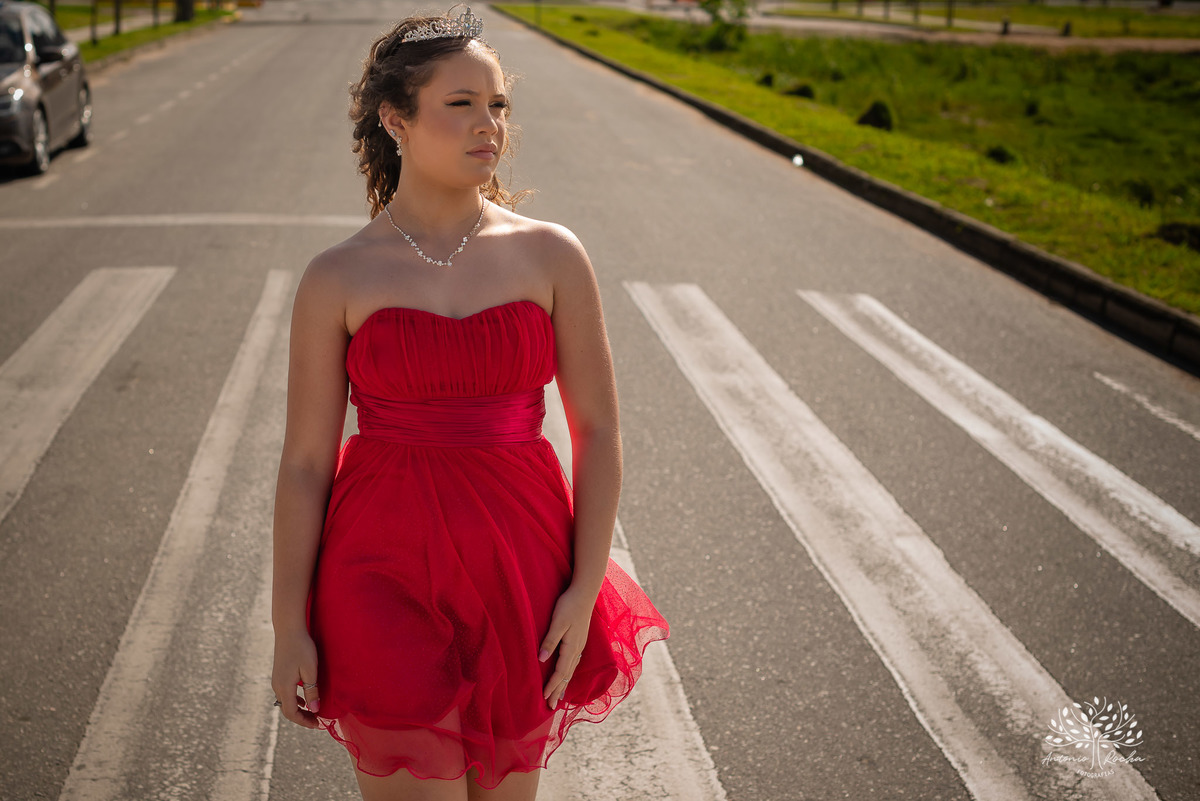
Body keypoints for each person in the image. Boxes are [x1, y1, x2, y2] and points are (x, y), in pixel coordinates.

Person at [269, 8, 670, 800]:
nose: (489, 125)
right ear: (397, 120)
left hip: (521, 568)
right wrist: (289, 625)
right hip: (379, 567)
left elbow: (597, 429)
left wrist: (584, 590)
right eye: (461, 104)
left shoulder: (552, 254)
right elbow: (306, 461)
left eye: (498, 105)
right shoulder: (337, 277)